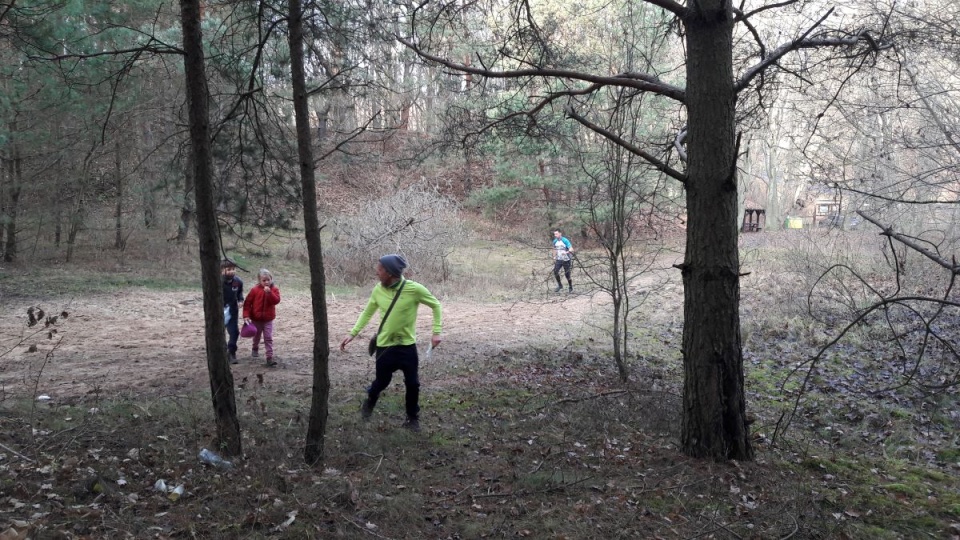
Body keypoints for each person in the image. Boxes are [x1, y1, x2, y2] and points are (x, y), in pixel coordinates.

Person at [340, 254, 442, 432]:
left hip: (407, 347)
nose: (376, 272)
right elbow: (367, 312)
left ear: (389, 273)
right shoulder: (377, 290)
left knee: (413, 384)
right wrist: (353, 333)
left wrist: (436, 332)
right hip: (385, 346)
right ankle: (368, 406)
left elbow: (435, 305)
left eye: (379, 269)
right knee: (381, 382)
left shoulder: (414, 289)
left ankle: (412, 419)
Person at [242, 268, 281, 367]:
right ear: (259, 281)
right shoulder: (254, 290)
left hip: (268, 319)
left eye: (268, 279)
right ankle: (255, 348)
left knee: (268, 337)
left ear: (271, 279)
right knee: (257, 336)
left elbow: (276, 301)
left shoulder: (274, 289)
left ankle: (269, 357)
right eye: (264, 280)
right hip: (256, 319)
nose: (267, 282)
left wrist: (269, 293)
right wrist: (246, 315)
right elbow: (247, 303)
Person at [221, 259, 244, 365]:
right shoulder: (217, 282)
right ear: (221, 270)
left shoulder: (238, 281)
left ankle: (231, 352)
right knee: (219, 332)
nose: (232, 271)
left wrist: (240, 300)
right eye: (228, 269)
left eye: (233, 269)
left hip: (233, 310)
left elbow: (239, 293)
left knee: (234, 332)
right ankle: (220, 352)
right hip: (219, 311)